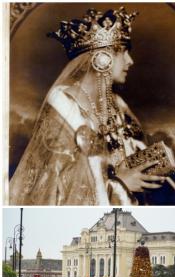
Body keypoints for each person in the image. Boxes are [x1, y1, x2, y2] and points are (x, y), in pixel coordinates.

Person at [9, 7, 166, 205]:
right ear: (102, 57)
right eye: (123, 52)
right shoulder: (64, 108)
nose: (130, 61)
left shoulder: (117, 106)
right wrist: (119, 183)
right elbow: (59, 190)